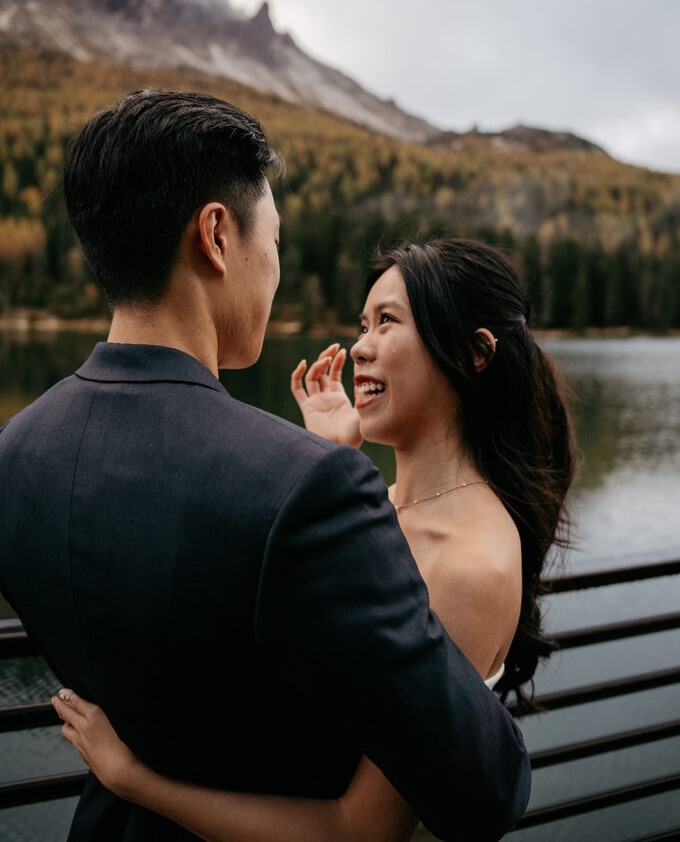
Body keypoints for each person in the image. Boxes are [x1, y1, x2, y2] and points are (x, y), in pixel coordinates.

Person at [0, 92, 530, 842]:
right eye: (273, 240)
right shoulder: (307, 487)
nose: (275, 270)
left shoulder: (14, 454)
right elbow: (488, 791)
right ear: (216, 236)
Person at [53, 234, 576, 841]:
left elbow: (359, 830)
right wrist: (331, 458)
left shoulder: (469, 565)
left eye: (387, 322)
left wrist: (132, 779)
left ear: (474, 352)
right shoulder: (379, 506)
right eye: (362, 324)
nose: (361, 347)